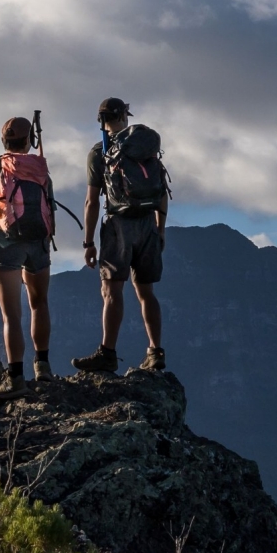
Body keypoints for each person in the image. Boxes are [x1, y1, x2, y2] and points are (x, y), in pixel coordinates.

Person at [73, 97, 165, 374]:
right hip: (148, 223)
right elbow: (161, 189)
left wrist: (89, 242)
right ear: (125, 115)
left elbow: (91, 201)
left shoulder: (99, 152)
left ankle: (108, 353)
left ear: (100, 120)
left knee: (112, 290)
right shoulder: (144, 145)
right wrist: (160, 229)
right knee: (146, 292)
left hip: (118, 225)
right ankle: (155, 352)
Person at [0, 116, 56, 398]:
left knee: (11, 315)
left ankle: (15, 378)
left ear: (3, 141)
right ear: (29, 140)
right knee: (39, 303)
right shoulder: (40, 168)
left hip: (6, 244)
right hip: (39, 243)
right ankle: (43, 366)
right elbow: (50, 209)